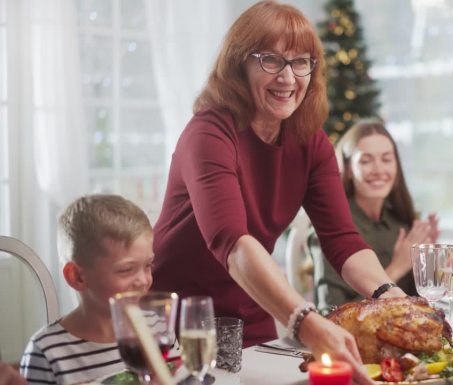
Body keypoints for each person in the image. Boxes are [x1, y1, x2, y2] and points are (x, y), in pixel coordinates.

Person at [150, 2, 402, 383]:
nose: (288, 77)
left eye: (301, 62)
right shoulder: (209, 132)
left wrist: (389, 294)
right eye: (271, 60)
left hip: (249, 313)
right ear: (239, 64)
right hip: (180, 320)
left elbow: (343, 240)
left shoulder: (310, 141)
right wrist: (305, 320)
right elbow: (233, 245)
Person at [21, 194, 180, 385]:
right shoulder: (47, 353)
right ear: (77, 277)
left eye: (148, 265)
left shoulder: (158, 329)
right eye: (126, 270)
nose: (143, 280)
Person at [313, 119, 439, 308]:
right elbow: (331, 315)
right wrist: (398, 266)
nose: (379, 170)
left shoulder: (401, 223)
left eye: (386, 159)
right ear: (347, 169)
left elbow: (416, 301)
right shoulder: (331, 229)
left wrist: (427, 261)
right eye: (366, 161)